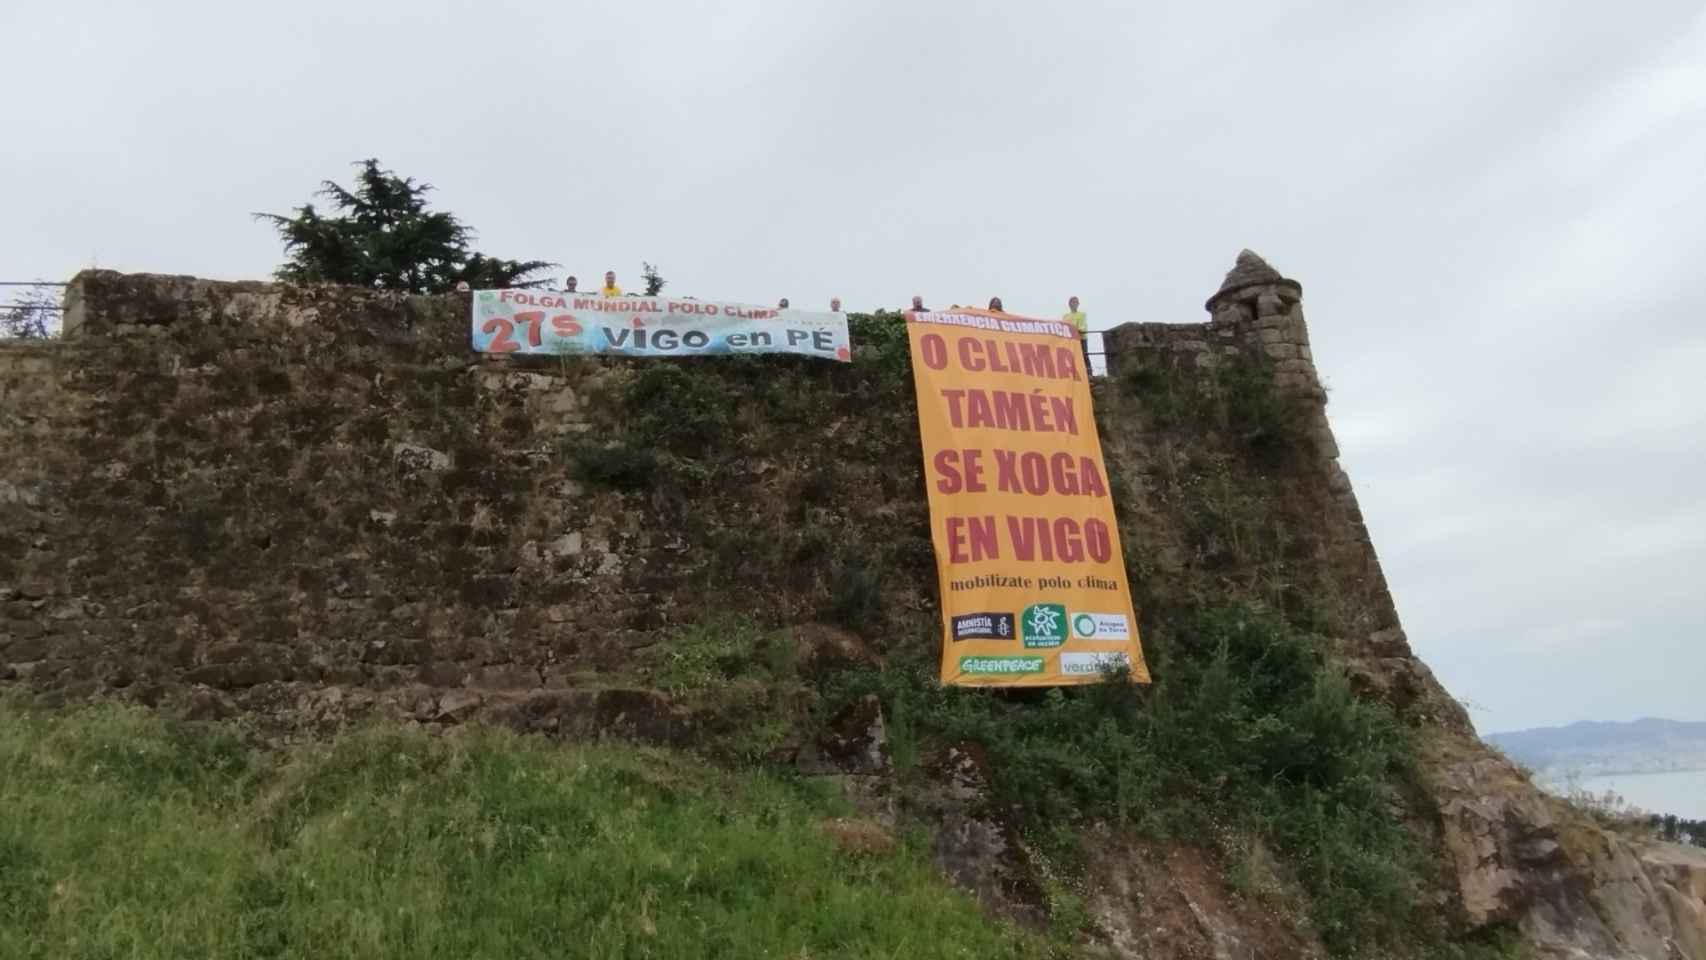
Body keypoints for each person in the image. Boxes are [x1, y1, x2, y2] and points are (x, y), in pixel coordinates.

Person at [1063, 296, 1090, 375]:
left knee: (1084, 355)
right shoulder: (1065, 316)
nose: (1075, 304)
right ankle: (1074, 374)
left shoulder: (1082, 314)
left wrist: (1074, 329)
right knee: (1072, 357)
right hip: (1070, 340)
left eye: (1076, 302)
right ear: (1069, 304)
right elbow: (1064, 327)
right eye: (1073, 302)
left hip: (1081, 338)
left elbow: (1082, 326)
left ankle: (1089, 373)